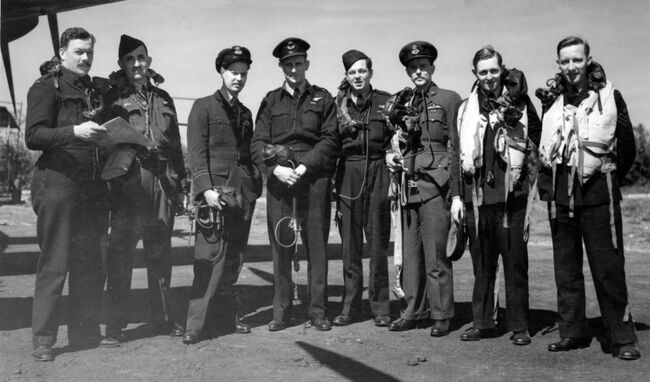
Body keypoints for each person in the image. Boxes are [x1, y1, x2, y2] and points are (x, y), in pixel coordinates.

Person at [536, 36, 640, 360]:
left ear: (588, 59)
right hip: (562, 195)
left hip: (598, 193)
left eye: (576, 60)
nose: (571, 67)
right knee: (566, 271)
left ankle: (621, 337)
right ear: (559, 65)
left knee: (608, 269)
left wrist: (606, 180)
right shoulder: (552, 103)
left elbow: (627, 148)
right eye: (565, 61)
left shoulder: (609, 95)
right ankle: (572, 332)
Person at [26, 27, 108, 361]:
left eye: (89, 51)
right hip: (57, 184)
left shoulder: (93, 89)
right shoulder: (47, 87)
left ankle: (85, 332)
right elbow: (33, 135)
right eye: (78, 52)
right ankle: (44, 340)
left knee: (89, 263)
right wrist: (75, 131)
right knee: (55, 264)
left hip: (90, 187)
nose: (85, 57)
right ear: (62, 53)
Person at [101, 35, 187, 347]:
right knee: (121, 255)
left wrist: (180, 185)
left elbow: (176, 146)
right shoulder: (111, 99)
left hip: (161, 182)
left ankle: (163, 317)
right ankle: (114, 326)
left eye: (141, 58)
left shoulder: (164, 98)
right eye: (130, 59)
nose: (137, 64)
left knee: (160, 252)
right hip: (128, 183)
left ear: (148, 61)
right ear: (121, 64)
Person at [453, 46, 541, 345]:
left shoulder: (521, 103)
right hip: (478, 201)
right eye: (483, 72)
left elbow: (537, 141)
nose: (489, 77)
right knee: (483, 266)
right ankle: (483, 322)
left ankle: (519, 326)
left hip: (511, 198)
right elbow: (457, 154)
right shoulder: (466, 109)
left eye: (493, 70)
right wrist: (458, 197)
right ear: (474, 74)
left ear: (502, 70)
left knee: (515, 263)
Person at [251, 37, 339, 331]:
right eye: (287, 64)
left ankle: (317, 312)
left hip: (313, 179)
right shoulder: (270, 100)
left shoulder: (323, 98)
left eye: (298, 63)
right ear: (281, 66)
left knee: (317, 248)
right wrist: (274, 170)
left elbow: (330, 140)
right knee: (282, 248)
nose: (293, 69)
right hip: (281, 182)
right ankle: (281, 313)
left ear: (306, 64)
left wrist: (304, 166)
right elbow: (257, 142)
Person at [182, 45, 262, 344]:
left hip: (240, 195)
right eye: (233, 72)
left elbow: (247, 154)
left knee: (234, 258)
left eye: (243, 74)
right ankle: (195, 325)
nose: (239, 78)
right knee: (208, 257)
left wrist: (252, 189)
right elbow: (196, 153)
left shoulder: (245, 112)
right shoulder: (203, 106)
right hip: (214, 195)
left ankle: (225, 318)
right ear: (222, 72)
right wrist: (206, 190)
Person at [384, 41, 461, 336]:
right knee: (411, 254)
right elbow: (393, 141)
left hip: (436, 185)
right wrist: (391, 156)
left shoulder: (449, 99)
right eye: (413, 68)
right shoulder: (402, 101)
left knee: (436, 252)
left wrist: (456, 193)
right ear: (408, 70)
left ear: (432, 68)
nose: (419, 71)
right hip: (407, 183)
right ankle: (413, 310)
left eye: (423, 66)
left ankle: (441, 313)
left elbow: (456, 147)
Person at [332, 50, 391, 327]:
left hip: (379, 171)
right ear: (347, 76)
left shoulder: (386, 102)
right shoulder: (337, 105)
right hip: (348, 173)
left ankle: (380, 309)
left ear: (370, 73)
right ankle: (350, 308)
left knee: (378, 244)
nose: (357, 76)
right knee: (350, 247)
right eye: (352, 72)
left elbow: (397, 137)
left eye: (362, 71)